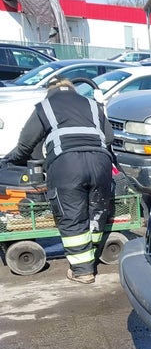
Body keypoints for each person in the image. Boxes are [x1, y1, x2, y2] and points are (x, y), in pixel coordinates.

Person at [1, 77, 115, 283]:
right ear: (73, 89)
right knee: (96, 211)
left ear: (49, 91)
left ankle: (82, 271)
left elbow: (25, 145)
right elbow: (109, 137)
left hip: (67, 165)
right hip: (101, 162)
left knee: (72, 215)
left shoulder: (45, 106)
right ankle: (90, 256)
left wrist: (8, 160)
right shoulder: (92, 105)